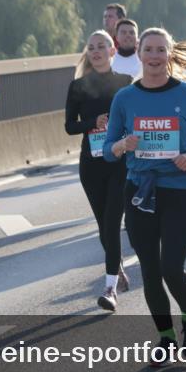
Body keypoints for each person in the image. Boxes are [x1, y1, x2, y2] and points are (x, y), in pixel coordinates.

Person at [103, 28, 186, 365]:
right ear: (139, 54)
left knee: (171, 268)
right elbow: (107, 150)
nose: (153, 56)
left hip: (180, 189)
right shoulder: (125, 98)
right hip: (139, 191)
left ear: (169, 53)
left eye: (160, 50)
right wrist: (122, 145)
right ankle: (164, 337)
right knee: (150, 270)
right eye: (148, 50)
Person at [65, 30, 133, 311]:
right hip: (91, 164)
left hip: (119, 163)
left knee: (112, 223)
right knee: (103, 226)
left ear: (112, 50)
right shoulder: (78, 86)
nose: (96, 51)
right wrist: (93, 122)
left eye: (101, 46)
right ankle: (115, 267)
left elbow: (135, 120)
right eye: (91, 47)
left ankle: (109, 288)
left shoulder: (125, 83)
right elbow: (70, 126)